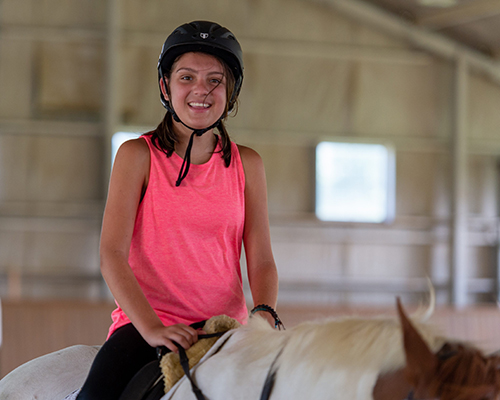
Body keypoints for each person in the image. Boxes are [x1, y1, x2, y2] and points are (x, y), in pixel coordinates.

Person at [76, 20, 279, 400]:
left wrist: (264, 312)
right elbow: (112, 255)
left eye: (215, 80)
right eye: (187, 77)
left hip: (224, 330)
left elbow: (262, 258)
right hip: (146, 327)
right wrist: (152, 328)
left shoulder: (248, 164)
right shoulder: (137, 156)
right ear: (165, 86)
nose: (201, 90)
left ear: (230, 92)